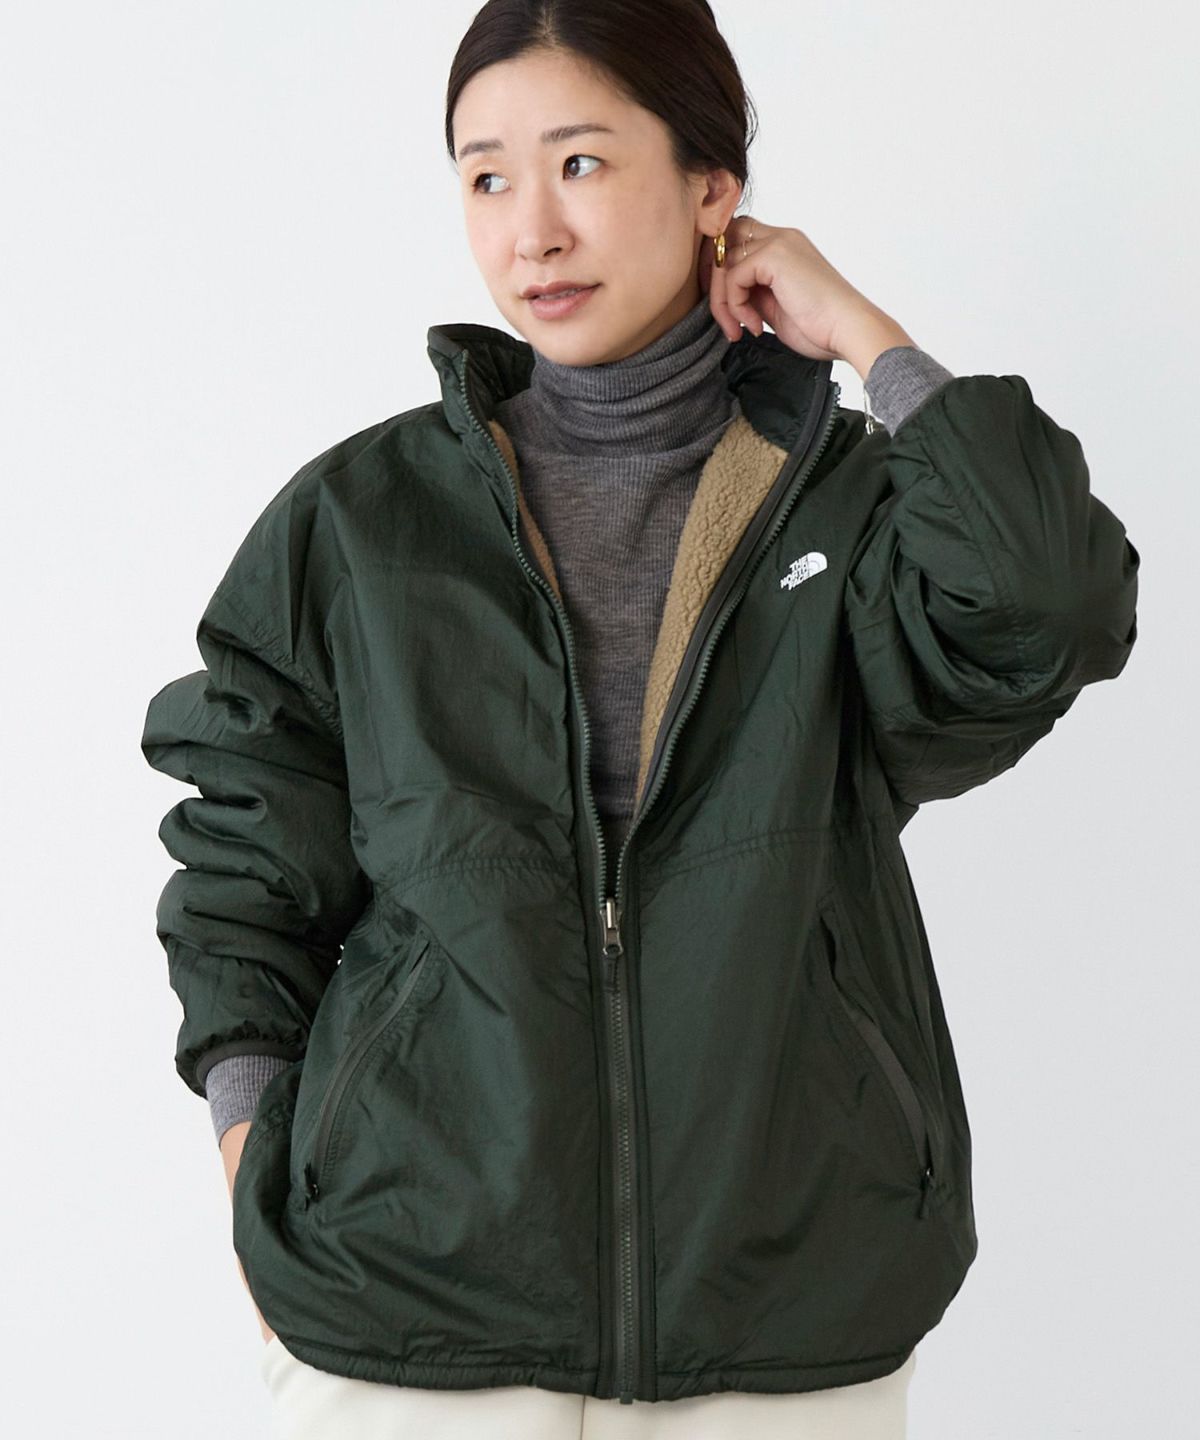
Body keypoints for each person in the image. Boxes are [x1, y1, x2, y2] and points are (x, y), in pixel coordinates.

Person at [139, 1, 1140, 1436]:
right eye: (487, 177)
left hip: (782, 1290)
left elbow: (1051, 604)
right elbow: (243, 863)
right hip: (409, 1292)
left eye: (582, 163)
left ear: (713, 184)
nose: (532, 231)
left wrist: (866, 336)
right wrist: (251, 1155)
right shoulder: (362, 520)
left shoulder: (845, 508)